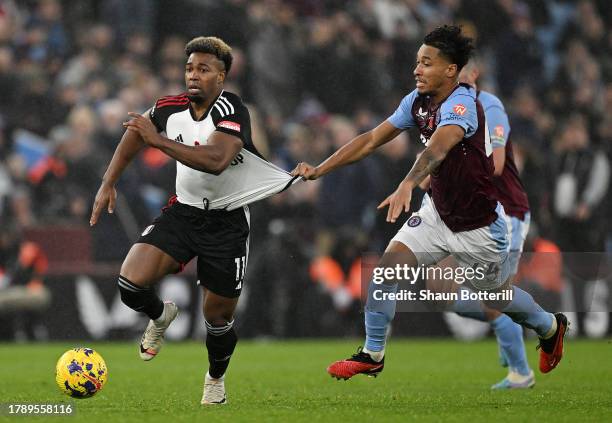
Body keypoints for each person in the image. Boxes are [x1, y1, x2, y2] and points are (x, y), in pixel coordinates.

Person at [292, 25, 567, 381]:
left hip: (478, 227)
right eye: (416, 62)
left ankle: (549, 327)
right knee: (386, 270)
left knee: (499, 299)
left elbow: (437, 148)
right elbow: (372, 139)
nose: (416, 70)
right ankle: (372, 354)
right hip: (437, 214)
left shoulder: (463, 104)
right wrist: (321, 168)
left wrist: (407, 183)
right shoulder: (417, 102)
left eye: (426, 63)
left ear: (450, 69)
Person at [90, 36, 296, 405]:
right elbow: (136, 133)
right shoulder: (169, 108)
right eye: (189, 68)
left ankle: (215, 379)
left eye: (204, 69)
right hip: (184, 212)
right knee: (129, 284)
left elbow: (216, 160)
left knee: (216, 319)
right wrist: (109, 181)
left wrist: (158, 142)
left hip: (227, 222)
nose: (193, 75)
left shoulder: (232, 109)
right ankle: (160, 315)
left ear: (221, 77)